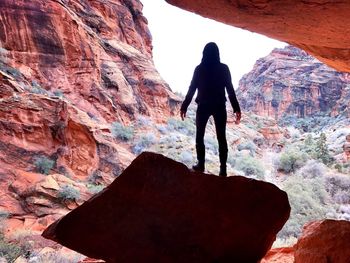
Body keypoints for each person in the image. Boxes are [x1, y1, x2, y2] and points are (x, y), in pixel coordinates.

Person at [180, 42, 241, 177]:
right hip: (219, 105)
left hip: (203, 105)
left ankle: (200, 164)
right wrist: (236, 108)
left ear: (204, 53)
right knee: (221, 137)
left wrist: (184, 106)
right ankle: (223, 170)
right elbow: (230, 90)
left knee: (199, 136)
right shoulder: (224, 68)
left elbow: (191, 89)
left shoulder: (199, 69)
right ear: (217, 53)